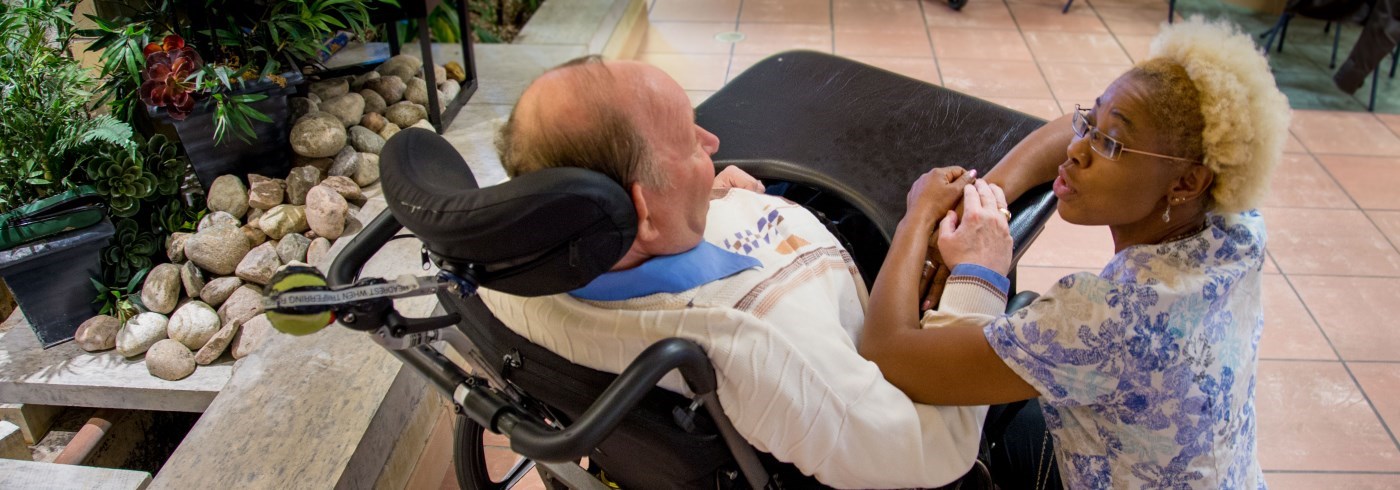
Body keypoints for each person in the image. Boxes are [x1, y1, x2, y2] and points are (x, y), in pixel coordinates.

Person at [480, 55, 1001, 488]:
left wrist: (699, 199)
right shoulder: (770, 352)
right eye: (688, 142)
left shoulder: (509, 272)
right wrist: (977, 279)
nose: (710, 142)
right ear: (641, 211)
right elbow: (939, 450)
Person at [859, 17, 1290, 489]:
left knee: (946, 438)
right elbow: (1069, 127)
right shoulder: (1238, 229)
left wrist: (920, 215)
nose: (1076, 150)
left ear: (1186, 182)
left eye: (1109, 143)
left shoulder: (1105, 318)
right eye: (1092, 120)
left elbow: (887, 353)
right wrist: (985, 199)